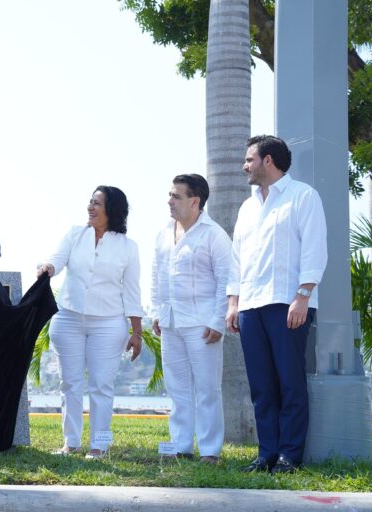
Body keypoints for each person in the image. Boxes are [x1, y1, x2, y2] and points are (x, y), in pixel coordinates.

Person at [226, 135, 328, 474]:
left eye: (250, 159)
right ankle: (266, 453)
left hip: (288, 303)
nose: (245, 166)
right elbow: (237, 259)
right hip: (251, 306)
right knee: (261, 386)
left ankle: (289, 455)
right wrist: (233, 303)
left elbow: (315, 249)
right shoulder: (247, 206)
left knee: (290, 382)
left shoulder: (303, 197)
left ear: (268, 160)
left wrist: (303, 296)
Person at [37, 185, 143, 459]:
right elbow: (57, 260)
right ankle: (70, 443)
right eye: (90, 202)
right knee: (69, 383)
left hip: (109, 324)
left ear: (112, 210)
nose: (90, 207)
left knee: (101, 386)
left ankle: (99, 446)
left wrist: (137, 332)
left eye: (97, 203)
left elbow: (132, 292)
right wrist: (47, 267)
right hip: (68, 319)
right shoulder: (75, 234)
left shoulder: (128, 248)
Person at [150, 174, 231, 464]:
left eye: (176, 196)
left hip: (202, 323)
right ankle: (180, 445)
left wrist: (218, 321)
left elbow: (226, 280)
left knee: (208, 388)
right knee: (177, 387)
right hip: (171, 322)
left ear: (195, 201)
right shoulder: (163, 232)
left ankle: (210, 451)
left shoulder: (214, 234)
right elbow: (157, 275)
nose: (169, 201)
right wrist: (157, 312)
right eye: (170, 195)